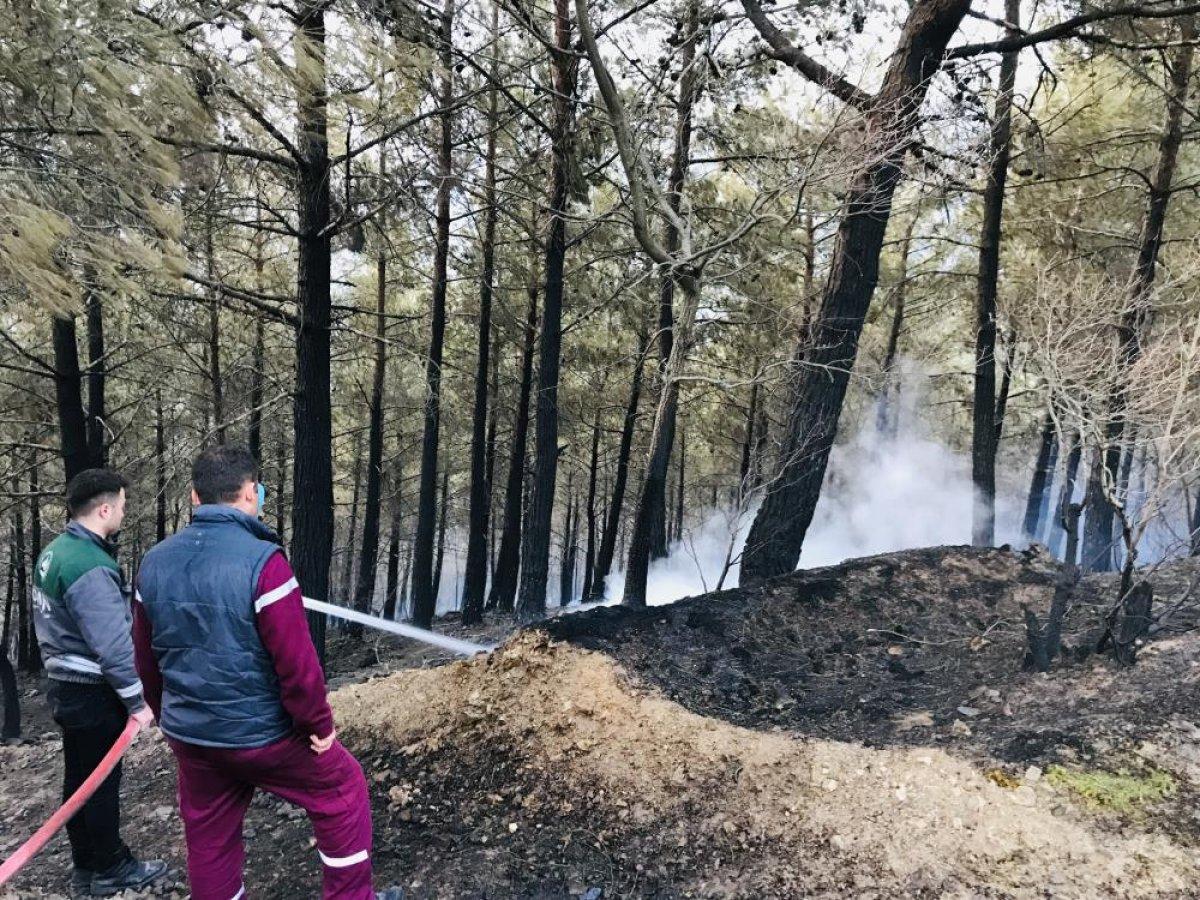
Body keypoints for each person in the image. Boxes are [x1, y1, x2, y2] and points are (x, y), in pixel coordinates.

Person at [133, 446, 400, 900]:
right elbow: (297, 665)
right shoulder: (265, 565)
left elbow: (145, 658)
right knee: (342, 789)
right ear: (252, 495)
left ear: (195, 498)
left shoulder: (153, 562)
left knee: (208, 834)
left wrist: (169, 717)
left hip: (193, 738)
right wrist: (317, 724)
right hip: (262, 737)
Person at [33, 468, 168, 897]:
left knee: (79, 779)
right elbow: (113, 648)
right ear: (105, 508)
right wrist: (137, 702)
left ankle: (85, 866)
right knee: (101, 782)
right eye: (123, 506)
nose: (124, 514)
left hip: (66, 688)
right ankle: (110, 867)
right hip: (93, 693)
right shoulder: (90, 566)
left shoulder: (56, 552)